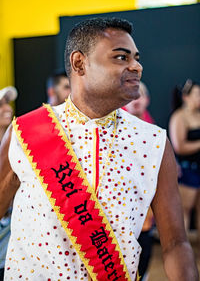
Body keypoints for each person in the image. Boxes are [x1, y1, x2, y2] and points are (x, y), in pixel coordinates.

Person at [0, 18, 198, 281]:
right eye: (120, 57)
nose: (136, 66)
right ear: (79, 63)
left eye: (136, 58)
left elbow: (175, 243)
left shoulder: (154, 143)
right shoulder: (24, 133)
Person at [123, 82, 155, 281]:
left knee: (144, 257)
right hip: (120, 209)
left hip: (146, 210)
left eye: (140, 95)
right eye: (131, 95)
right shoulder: (110, 130)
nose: (136, 99)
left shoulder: (156, 134)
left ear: (147, 100)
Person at [169, 79, 200, 245]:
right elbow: (179, 147)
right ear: (186, 97)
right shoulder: (179, 117)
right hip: (187, 170)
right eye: (197, 94)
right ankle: (184, 250)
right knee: (185, 212)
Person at [0, 86, 17, 281]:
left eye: (7, 103)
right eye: (0, 104)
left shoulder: (17, 144)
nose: (6, 108)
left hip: (11, 254)